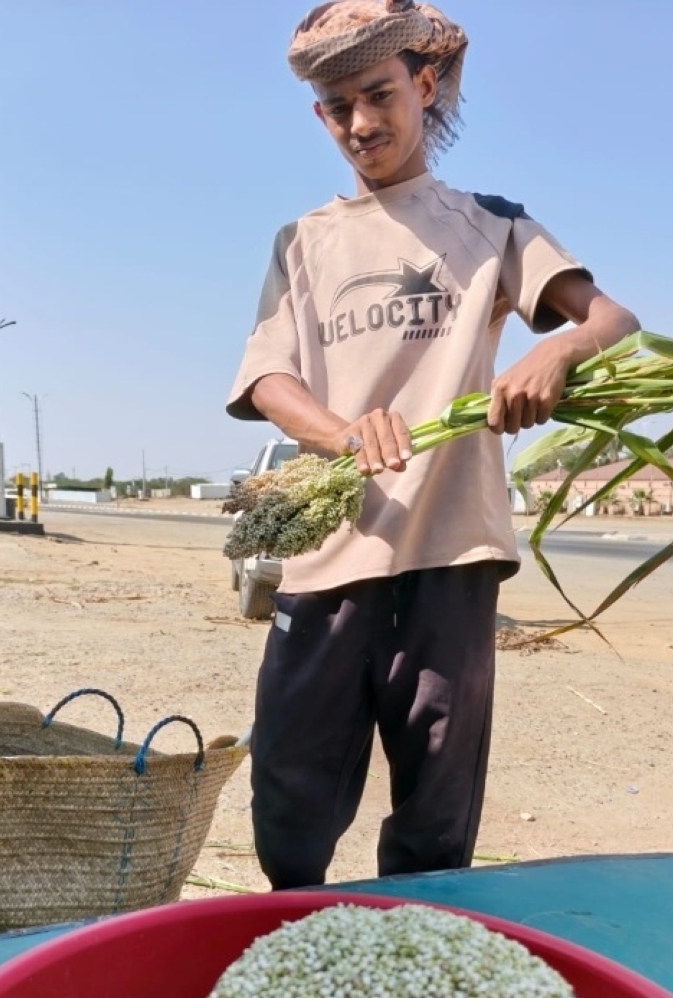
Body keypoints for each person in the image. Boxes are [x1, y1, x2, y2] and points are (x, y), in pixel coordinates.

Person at [227, 0, 639, 890]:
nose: (360, 123)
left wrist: (555, 352)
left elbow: (611, 318)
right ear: (319, 115)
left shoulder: (492, 225)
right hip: (331, 558)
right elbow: (266, 380)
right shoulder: (301, 243)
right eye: (338, 107)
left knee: (435, 820)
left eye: (378, 95)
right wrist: (341, 432)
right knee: (289, 805)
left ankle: (417, 947)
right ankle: (290, 940)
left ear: (424, 85)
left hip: (451, 557)